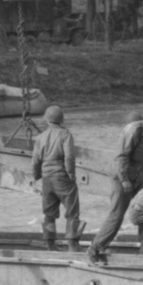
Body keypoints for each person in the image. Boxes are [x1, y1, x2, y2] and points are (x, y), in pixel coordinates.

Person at [88, 103, 143, 260]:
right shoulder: (134, 130)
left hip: (138, 178)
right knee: (116, 215)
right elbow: (121, 156)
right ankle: (95, 248)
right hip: (121, 177)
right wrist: (124, 180)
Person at [29, 105, 82, 253]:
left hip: (47, 179)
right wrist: (71, 174)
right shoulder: (65, 135)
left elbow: (35, 161)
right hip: (62, 177)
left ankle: (50, 245)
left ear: (46, 120)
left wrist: (36, 178)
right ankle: (72, 244)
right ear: (61, 119)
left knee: (49, 214)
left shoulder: (40, 137)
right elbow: (70, 157)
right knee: (72, 212)